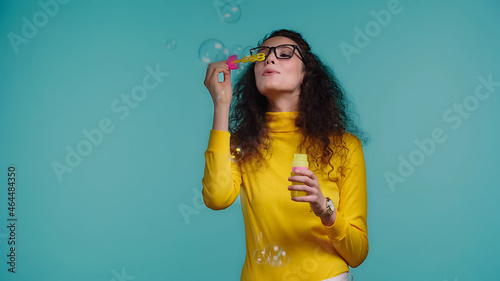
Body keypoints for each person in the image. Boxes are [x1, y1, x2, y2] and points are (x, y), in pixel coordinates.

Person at [202, 29, 368, 281]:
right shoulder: (243, 144)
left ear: (305, 75)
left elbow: (357, 254)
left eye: (284, 54)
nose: (269, 60)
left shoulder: (344, 146)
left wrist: (325, 210)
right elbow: (216, 198)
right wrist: (221, 104)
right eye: (262, 56)